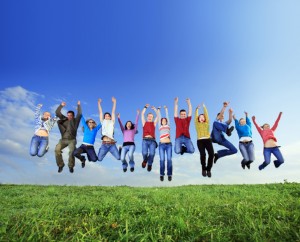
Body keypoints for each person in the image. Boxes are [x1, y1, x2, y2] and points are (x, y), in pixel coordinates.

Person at [55, 101, 82, 173]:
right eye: (68, 115)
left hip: (72, 140)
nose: (69, 116)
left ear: (73, 116)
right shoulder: (64, 119)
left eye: (70, 115)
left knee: (71, 152)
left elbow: (79, 114)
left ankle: (71, 166)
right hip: (63, 140)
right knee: (57, 150)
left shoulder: (76, 121)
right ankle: (61, 165)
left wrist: (78, 105)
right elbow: (57, 113)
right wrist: (61, 105)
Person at [97, 97, 120, 162]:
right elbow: (101, 112)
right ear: (104, 117)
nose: (106, 117)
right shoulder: (103, 121)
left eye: (108, 116)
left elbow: (113, 112)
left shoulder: (112, 121)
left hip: (112, 144)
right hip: (104, 144)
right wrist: (99, 104)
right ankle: (101, 150)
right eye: (105, 116)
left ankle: (119, 151)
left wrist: (114, 102)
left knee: (118, 158)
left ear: (110, 117)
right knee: (99, 159)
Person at [194, 103, 214, 178]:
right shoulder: (197, 124)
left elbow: (207, 115)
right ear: (198, 119)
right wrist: (197, 110)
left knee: (211, 154)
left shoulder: (207, 123)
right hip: (200, 141)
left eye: (203, 117)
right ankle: (203, 168)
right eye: (200, 117)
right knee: (203, 154)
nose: (201, 118)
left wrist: (204, 107)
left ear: (205, 118)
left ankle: (208, 169)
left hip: (208, 140)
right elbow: (195, 117)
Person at [141, 104, 158, 172]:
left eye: (151, 116)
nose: (150, 117)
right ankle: (145, 160)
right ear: (147, 117)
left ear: (152, 118)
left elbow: (158, 116)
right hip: (145, 140)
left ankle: (150, 164)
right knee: (144, 153)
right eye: (149, 116)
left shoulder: (154, 123)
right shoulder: (144, 123)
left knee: (152, 154)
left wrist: (155, 109)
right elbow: (142, 114)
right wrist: (145, 107)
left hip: (152, 141)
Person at [157, 106, 173, 181]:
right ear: (161, 121)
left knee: (169, 159)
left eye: (165, 120)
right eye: (162, 120)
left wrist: (166, 109)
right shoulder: (159, 127)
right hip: (161, 145)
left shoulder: (168, 126)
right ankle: (161, 174)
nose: (163, 121)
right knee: (162, 160)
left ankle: (169, 174)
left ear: (166, 121)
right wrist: (159, 110)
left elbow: (168, 117)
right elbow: (159, 116)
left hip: (169, 145)